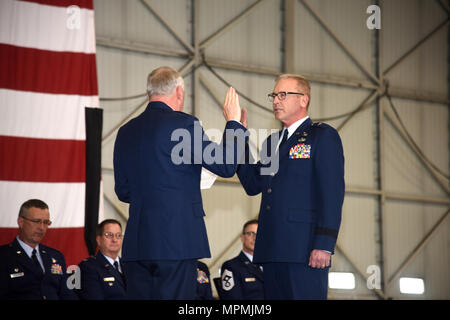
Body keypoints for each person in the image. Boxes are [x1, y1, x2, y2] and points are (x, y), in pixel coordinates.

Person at [113, 66, 246, 299]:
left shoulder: (125, 132)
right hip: (176, 243)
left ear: (148, 94)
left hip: (137, 246)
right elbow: (225, 166)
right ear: (179, 93)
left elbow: (123, 191)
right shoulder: (183, 125)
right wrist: (234, 124)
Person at [237, 74, 345, 299]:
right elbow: (253, 183)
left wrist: (324, 244)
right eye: (274, 95)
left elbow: (332, 193)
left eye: (283, 95)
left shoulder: (321, 136)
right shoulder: (272, 143)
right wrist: (239, 136)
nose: (276, 100)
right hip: (272, 250)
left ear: (303, 100)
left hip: (304, 250)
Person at [0, 199, 77, 300]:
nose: (41, 227)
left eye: (46, 222)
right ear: (21, 222)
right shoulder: (3, 256)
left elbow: (67, 295)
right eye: (36, 221)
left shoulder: (56, 256)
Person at [78, 219, 126, 300]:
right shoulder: (88, 267)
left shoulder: (129, 266)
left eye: (118, 235)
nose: (114, 240)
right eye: (109, 235)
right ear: (99, 240)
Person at [220, 219, 264, 300]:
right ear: (242, 237)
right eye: (251, 234)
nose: (255, 238)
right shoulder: (231, 267)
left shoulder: (270, 266)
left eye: (259, 234)